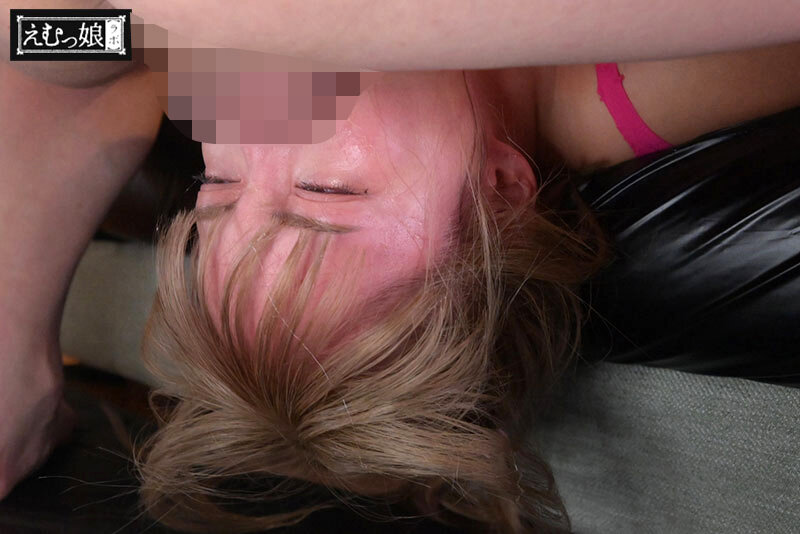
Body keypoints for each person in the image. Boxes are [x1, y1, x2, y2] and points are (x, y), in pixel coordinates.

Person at [2, 2, 800, 532]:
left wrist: (16, 336)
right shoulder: (645, 78)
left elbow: (40, 35)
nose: (249, 130)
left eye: (219, 187)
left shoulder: (236, 63)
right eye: (327, 190)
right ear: (500, 192)